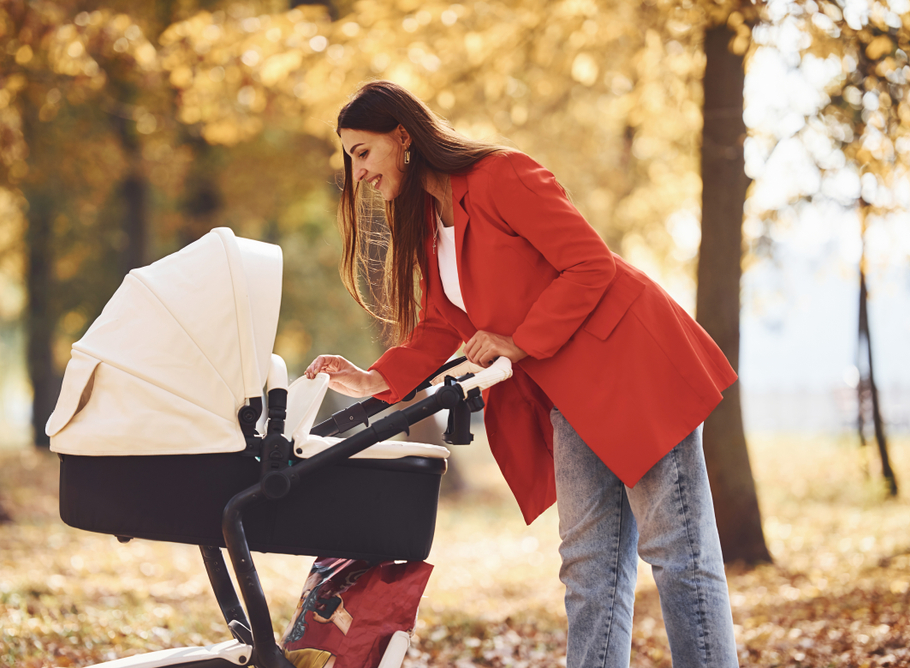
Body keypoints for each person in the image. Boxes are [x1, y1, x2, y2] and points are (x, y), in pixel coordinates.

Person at [304, 80, 740, 668]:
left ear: (403, 136)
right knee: (589, 568)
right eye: (351, 158)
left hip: (632, 370)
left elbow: (589, 263)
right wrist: (372, 380)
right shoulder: (430, 220)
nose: (358, 173)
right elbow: (440, 323)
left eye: (363, 152)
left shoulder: (501, 175)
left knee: (679, 554)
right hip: (569, 396)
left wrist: (519, 342)